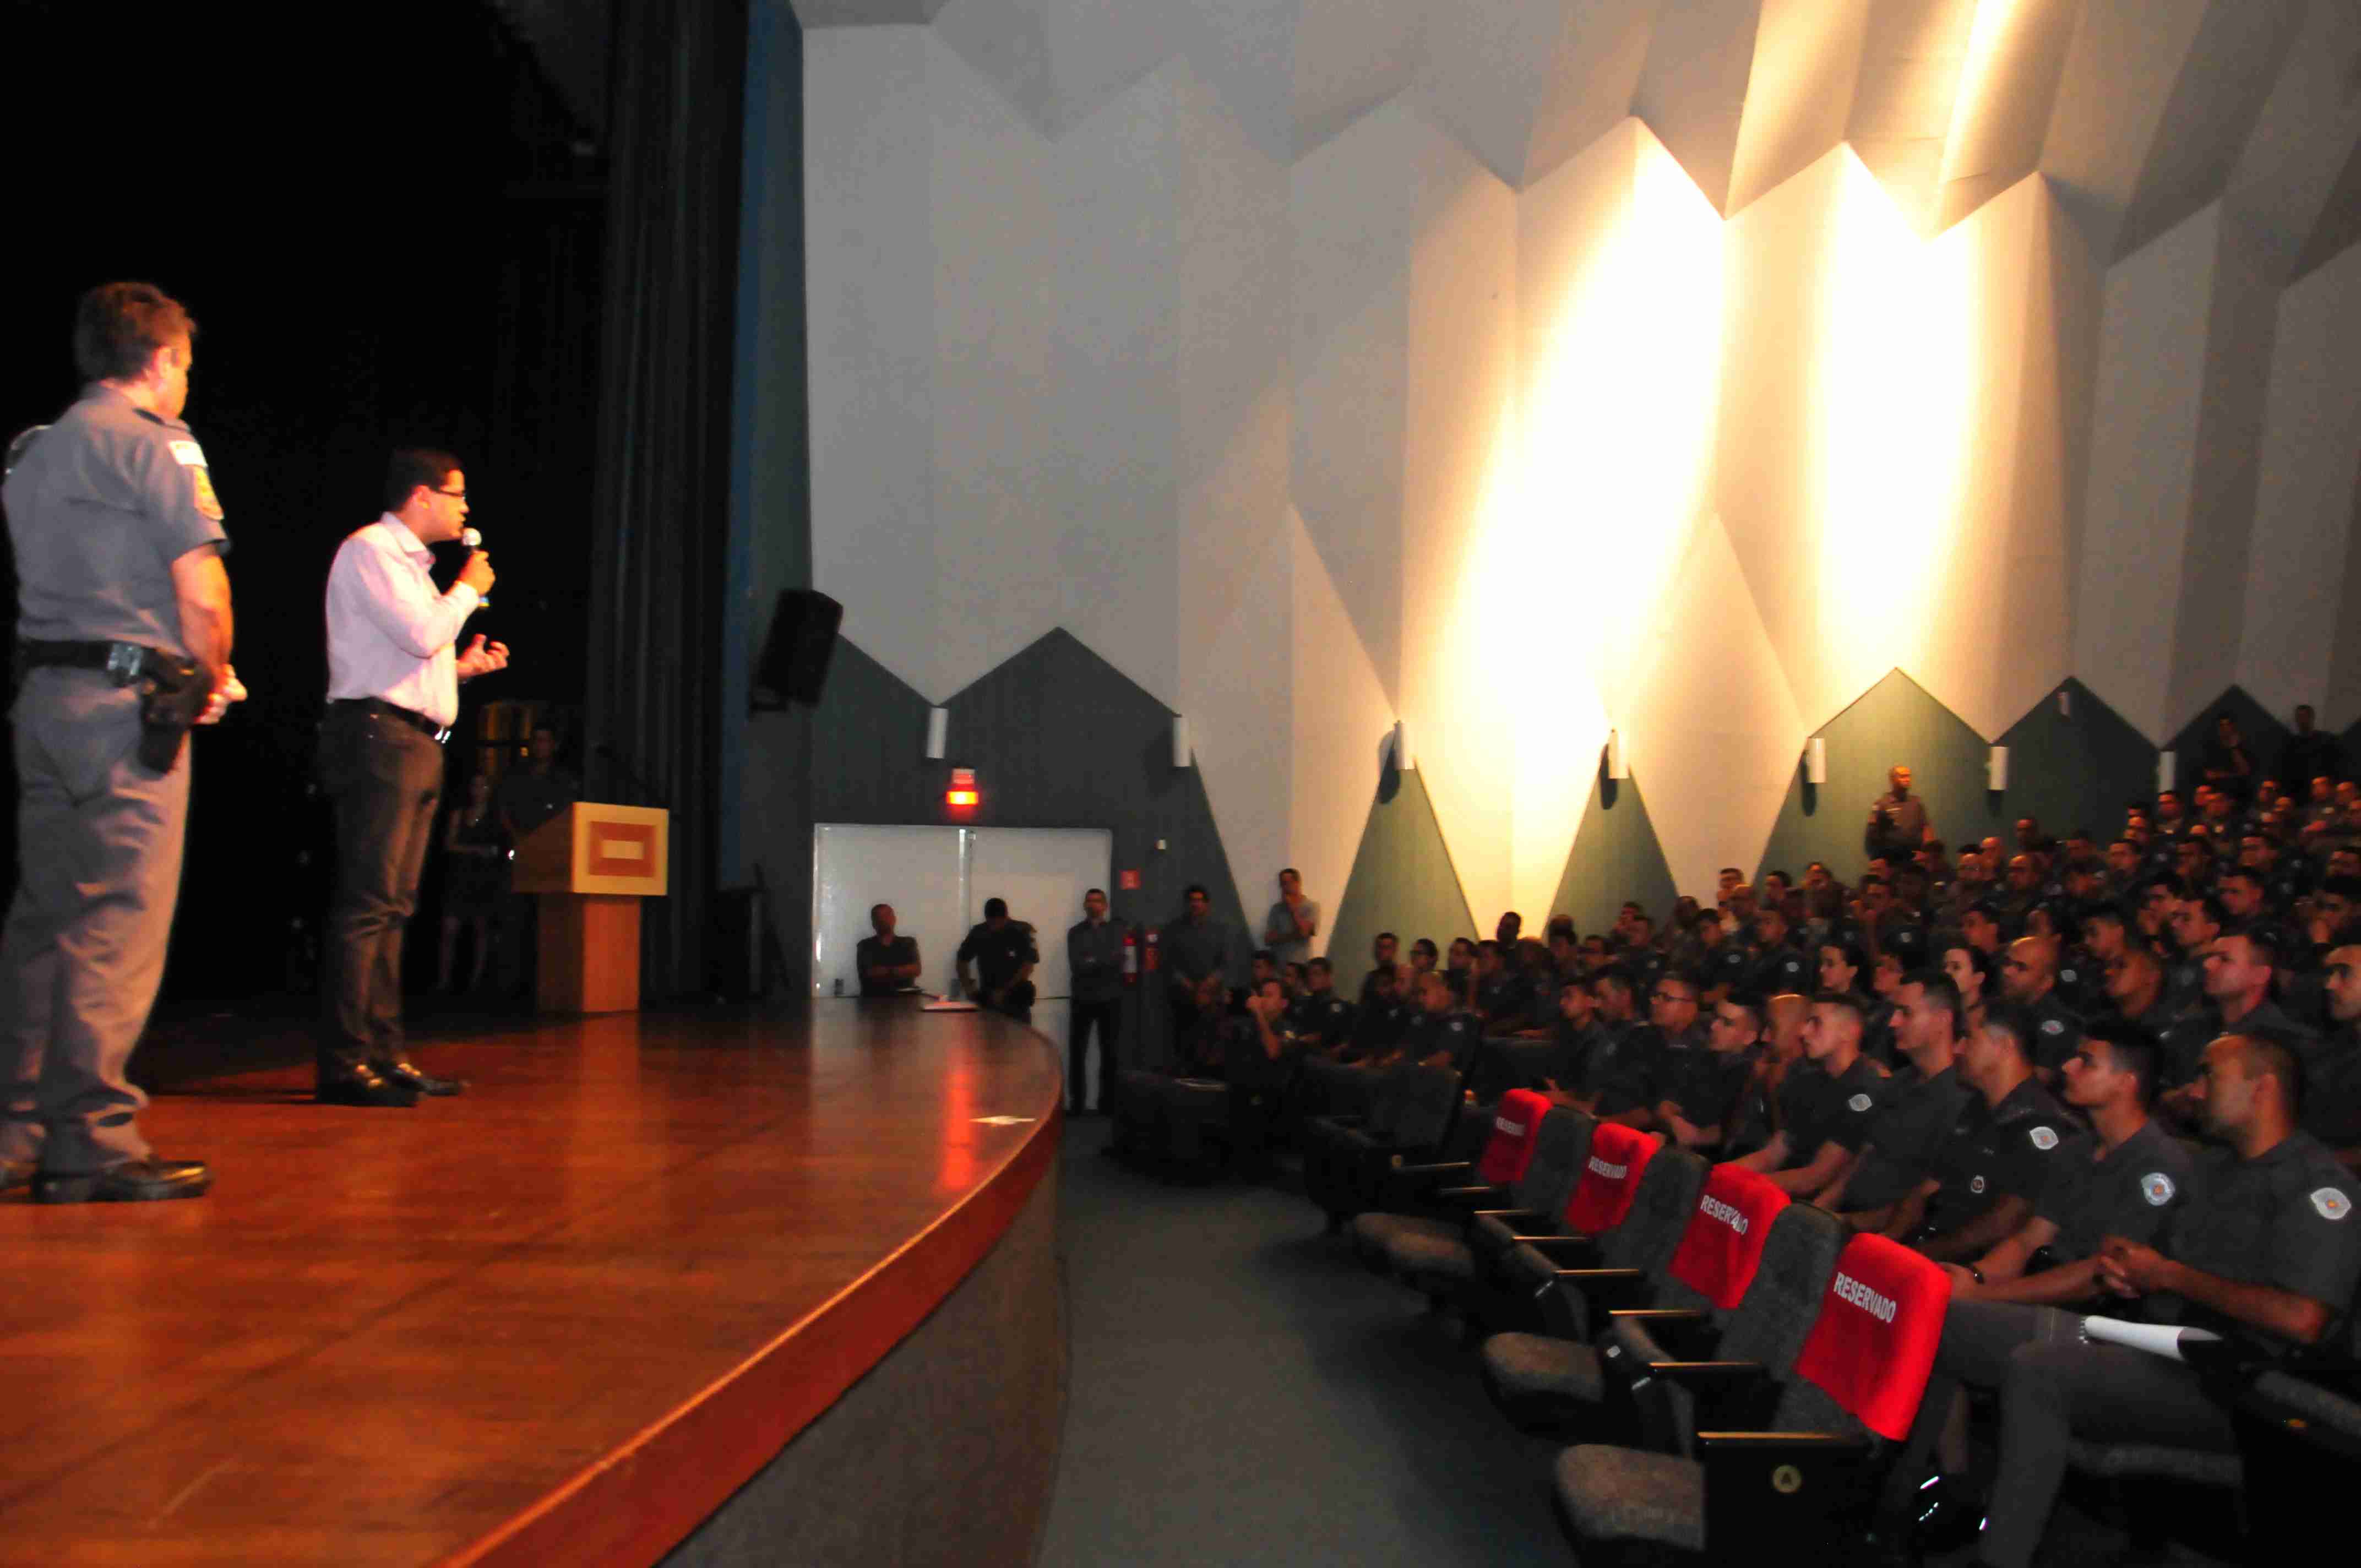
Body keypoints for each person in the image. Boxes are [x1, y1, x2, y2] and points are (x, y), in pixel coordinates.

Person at [0, 282, 243, 1202]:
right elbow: (203, 592)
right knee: (114, 925)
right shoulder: (161, 446)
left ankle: (14, 1131)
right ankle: (93, 1141)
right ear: (162, 359)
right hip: (123, 712)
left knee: (42, 923)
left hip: (42, 702)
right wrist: (211, 677)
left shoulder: (33, 452)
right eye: (185, 362)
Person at [1968, 1033, 2361, 1568]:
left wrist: (2171, 1277)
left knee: (2038, 1368)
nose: (2193, 1090)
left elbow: (2304, 1319)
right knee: (1954, 1319)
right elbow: (2160, 1264)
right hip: (2150, 1341)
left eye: (2210, 1077)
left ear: (2261, 1089)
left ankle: (2000, 1559)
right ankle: (1933, 1489)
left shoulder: (2315, 1188)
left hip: (2238, 1386)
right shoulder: (2213, 1170)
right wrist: (2132, 1270)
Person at [319, 448, 507, 1107]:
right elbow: (423, 633)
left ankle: (385, 1053)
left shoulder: (413, 569)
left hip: (414, 741)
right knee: (369, 905)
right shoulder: (371, 550)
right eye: (457, 495)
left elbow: (414, 653)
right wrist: (468, 589)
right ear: (422, 496)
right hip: (379, 740)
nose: (464, 508)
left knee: (396, 907)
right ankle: (345, 1062)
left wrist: (461, 670)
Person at [435, 771, 507, 993]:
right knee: (449, 930)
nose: (478, 790)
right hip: (459, 877)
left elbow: (503, 843)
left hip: (482, 879)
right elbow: (449, 844)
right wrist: (476, 850)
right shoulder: (459, 814)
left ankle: (476, 981)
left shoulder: (496, 816)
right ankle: (444, 980)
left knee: (481, 930)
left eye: (483, 786)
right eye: (475, 785)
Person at [1067, 888, 1124, 1114]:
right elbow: (1077, 965)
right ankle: (1077, 1104)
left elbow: (1118, 959)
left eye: (1098, 901)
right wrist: (1103, 960)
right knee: (1077, 1053)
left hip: (1110, 999)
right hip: (1082, 999)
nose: (1093, 905)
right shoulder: (1075, 933)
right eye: (1089, 901)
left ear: (1105, 906)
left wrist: (1092, 960)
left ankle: (1107, 1104)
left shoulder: (1116, 931)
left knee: (1110, 1053)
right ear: (1085, 905)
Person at [494, 722, 578, 844]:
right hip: (517, 844)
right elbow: (503, 811)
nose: (539, 745)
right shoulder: (515, 776)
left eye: (544, 741)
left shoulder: (564, 780)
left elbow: (567, 817)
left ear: (555, 745)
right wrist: (518, 838)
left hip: (550, 846)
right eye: (536, 740)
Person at [955, 897, 1037, 1020]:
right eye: (991, 923)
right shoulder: (979, 932)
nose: (994, 927)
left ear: (1006, 917)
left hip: (1016, 999)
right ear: (987, 919)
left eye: (998, 923)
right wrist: (967, 986)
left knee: (1020, 1038)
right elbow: (962, 960)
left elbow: (1028, 966)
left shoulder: (1022, 931)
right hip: (989, 1000)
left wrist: (1005, 991)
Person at [1867, 763, 1933, 862]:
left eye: (1908, 776)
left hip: (1916, 859)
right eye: (1903, 776)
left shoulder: (1916, 803)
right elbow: (1872, 836)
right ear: (1892, 780)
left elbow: (1926, 828)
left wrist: (1927, 854)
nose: (1907, 779)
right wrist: (1879, 858)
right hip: (1892, 861)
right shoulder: (1882, 804)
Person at [855, 902, 921, 996]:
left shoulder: (908, 943)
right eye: (879, 917)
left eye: (887, 916)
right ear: (873, 923)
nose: (883, 920)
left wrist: (886, 971)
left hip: (906, 1001)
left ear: (894, 919)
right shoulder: (865, 946)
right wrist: (902, 970)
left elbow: (916, 970)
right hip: (873, 1002)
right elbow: (869, 974)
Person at [1260, 867, 1319, 968]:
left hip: (1301, 968)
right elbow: (1268, 940)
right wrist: (1295, 935)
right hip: (1279, 968)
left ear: (1298, 883)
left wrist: (1293, 909)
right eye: (1282, 884)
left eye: (1287, 883)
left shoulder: (1312, 907)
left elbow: (1305, 932)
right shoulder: (1276, 909)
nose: (1284, 887)